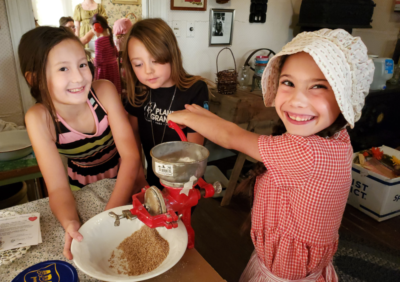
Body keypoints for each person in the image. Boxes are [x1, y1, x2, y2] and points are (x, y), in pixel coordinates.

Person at [167, 29, 374, 281]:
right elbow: (231, 131)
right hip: (280, 262)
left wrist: (183, 116)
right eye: (288, 83)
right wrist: (204, 116)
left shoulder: (309, 153)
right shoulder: (335, 137)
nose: (298, 100)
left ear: (344, 95)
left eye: (318, 86)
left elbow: (233, 137)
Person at [18, 26, 141, 260]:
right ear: (34, 78)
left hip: (124, 176)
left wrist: (107, 217)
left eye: (82, 64)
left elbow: (131, 156)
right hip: (81, 185)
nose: (79, 77)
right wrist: (70, 222)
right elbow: (56, 188)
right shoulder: (39, 118)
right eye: (63, 68)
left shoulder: (103, 91)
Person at [122, 18, 209, 191]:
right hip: (152, 178)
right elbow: (132, 137)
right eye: (138, 64)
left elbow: (194, 150)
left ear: (172, 54)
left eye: (155, 60)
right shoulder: (139, 92)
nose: (148, 70)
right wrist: (138, 175)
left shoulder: (196, 89)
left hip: (185, 180)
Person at [91, 14, 121, 94]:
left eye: (92, 29)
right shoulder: (110, 38)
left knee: (103, 92)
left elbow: (97, 62)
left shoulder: (98, 42)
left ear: (96, 28)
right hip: (113, 70)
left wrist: (93, 61)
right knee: (113, 91)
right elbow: (117, 54)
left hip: (104, 72)